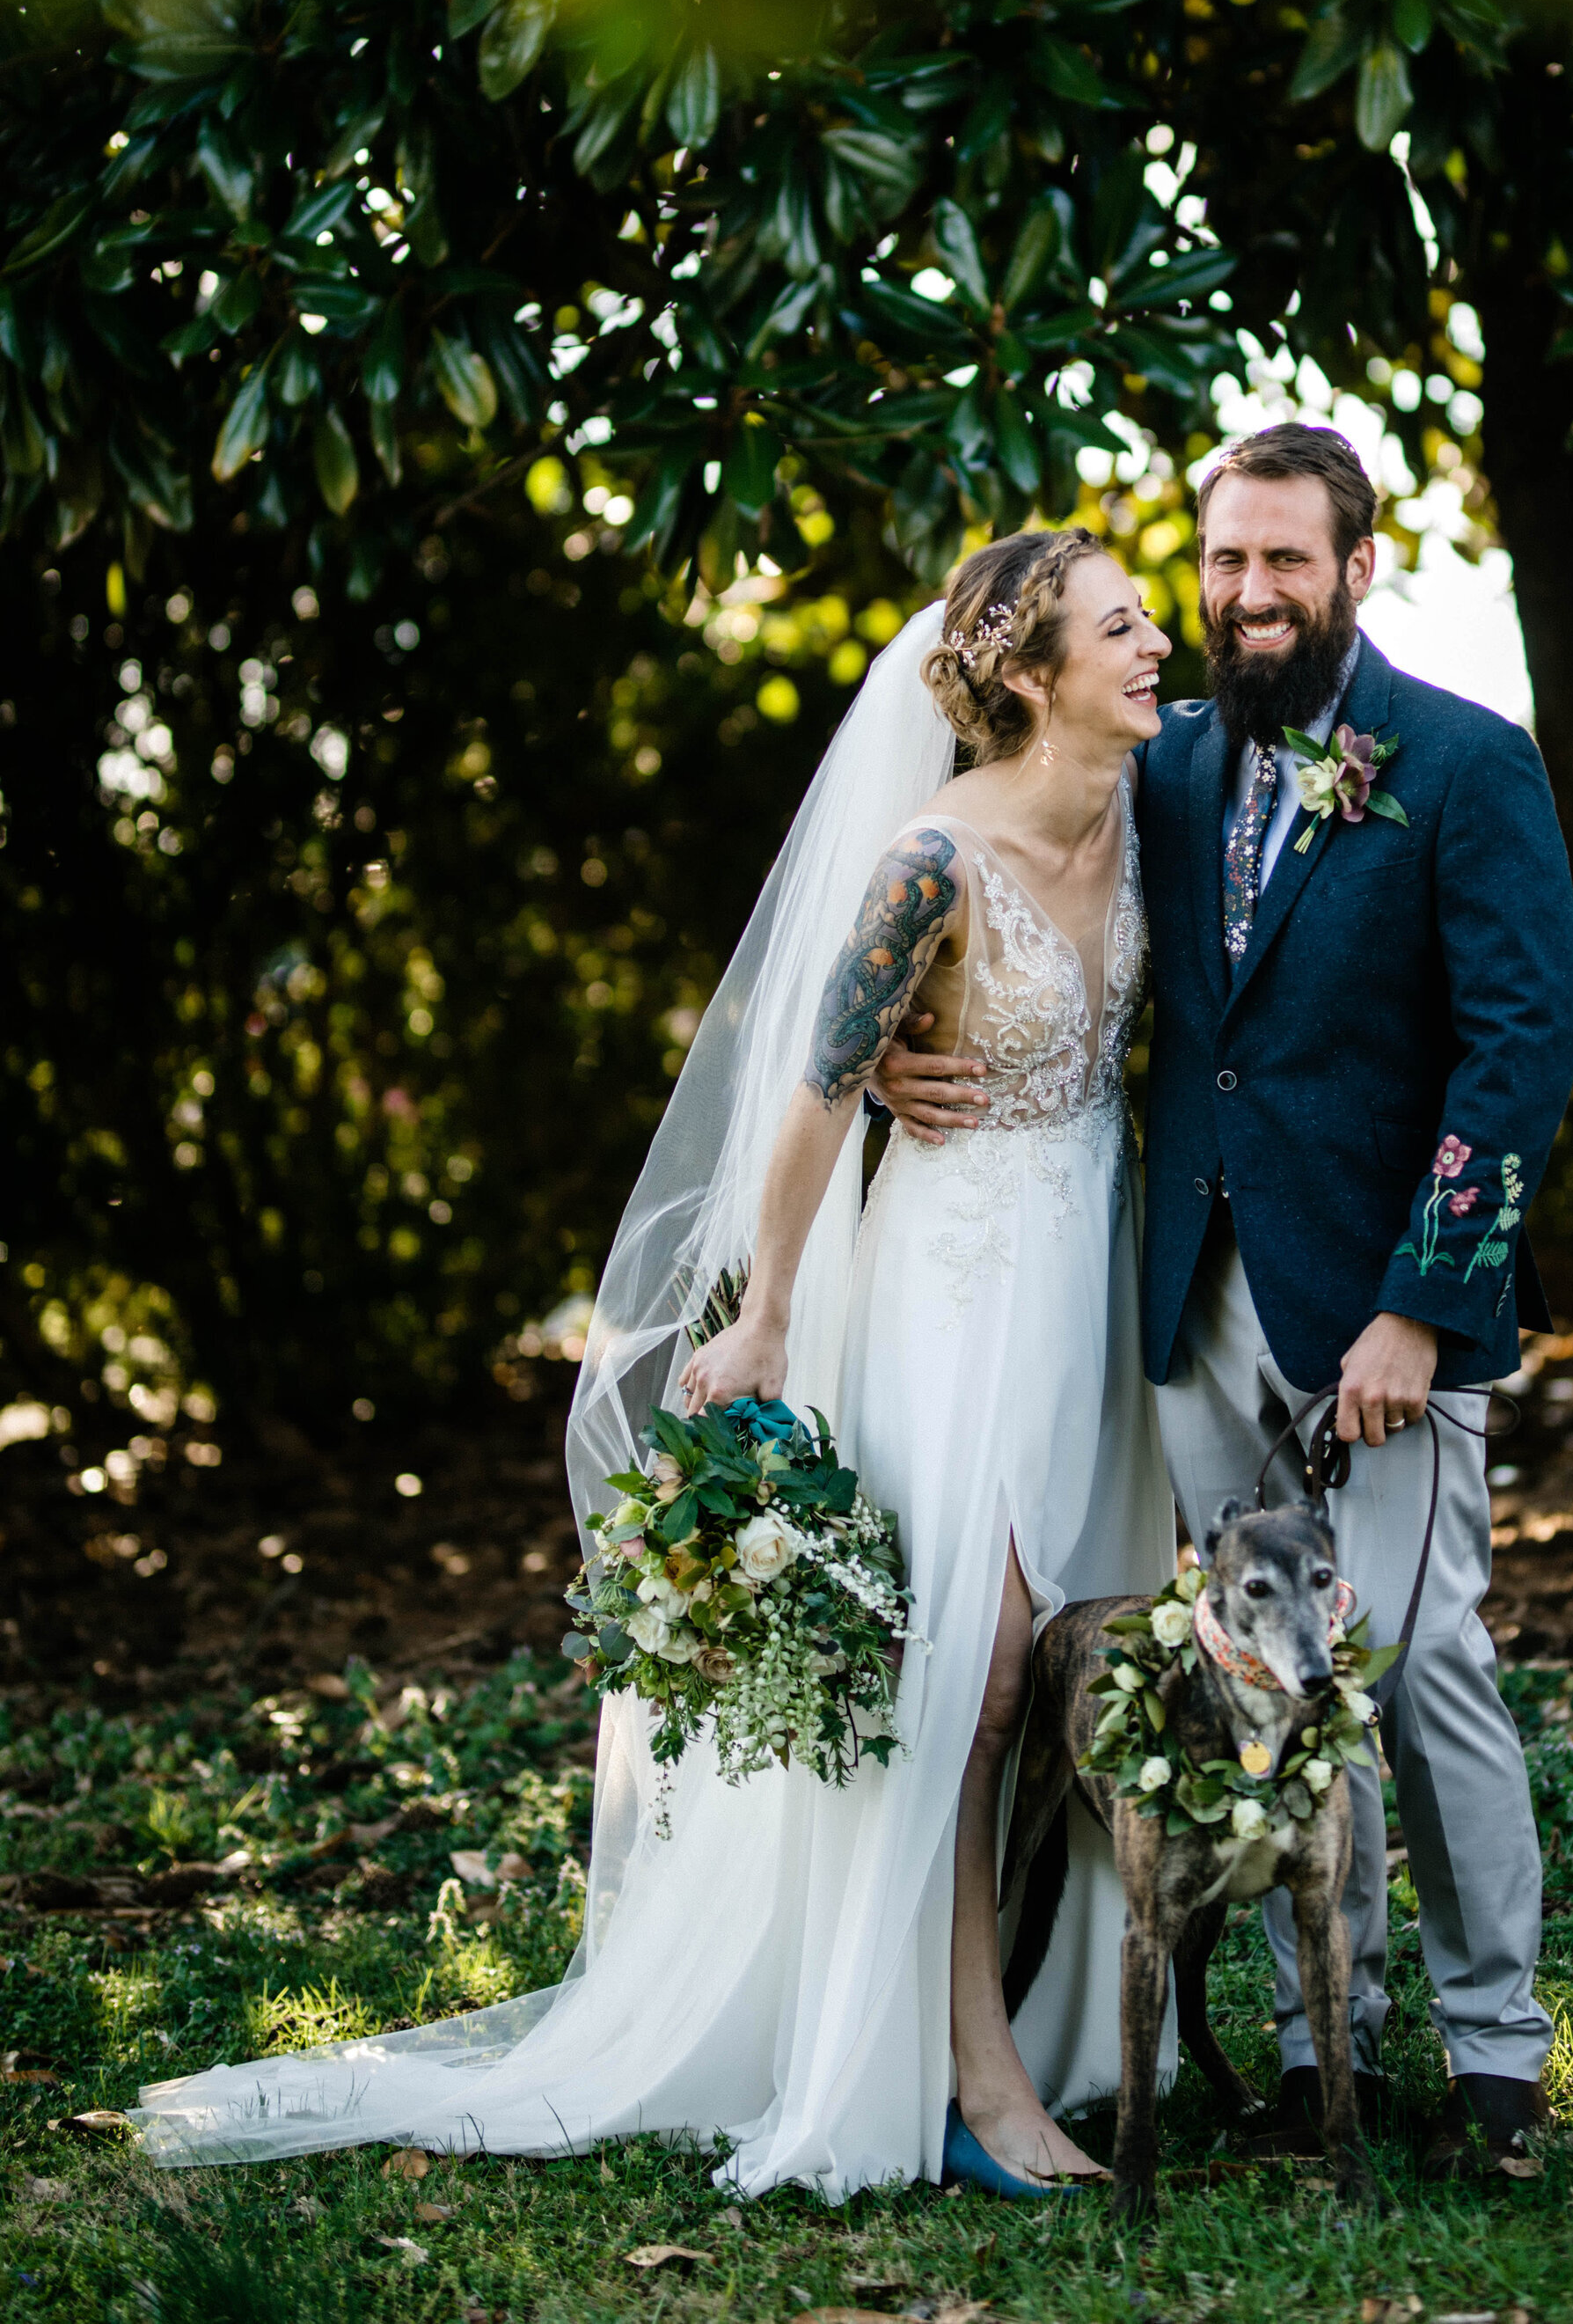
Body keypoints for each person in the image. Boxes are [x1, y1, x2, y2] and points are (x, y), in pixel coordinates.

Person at [131, 535, 1179, 2201]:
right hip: (952, 1295)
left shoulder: (1154, 805)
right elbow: (822, 1091)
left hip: (1088, 1296)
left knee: (1068, 1652)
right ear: (1033, 675)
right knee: (969, 1670)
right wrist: (763, 1313)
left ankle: (1072, 2020)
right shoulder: (928, 862)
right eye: (1118, 623)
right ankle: (970, 2073)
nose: (1157, 639)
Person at [881, 424, 1573, 2185]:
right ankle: (1304, 2044)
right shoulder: (1166, 764)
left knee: (1412, 1675)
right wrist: (897, 1044)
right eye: (1220, 563)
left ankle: (1493, 2051)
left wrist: (1424, 1305)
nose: (1245, 596)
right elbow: (994, 876)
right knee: (1249, 1688)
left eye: (1282, 561)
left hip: (1376, 1325)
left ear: (1356, 568)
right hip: (1190, 1308)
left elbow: (1516, 1052)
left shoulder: (1467, 765)